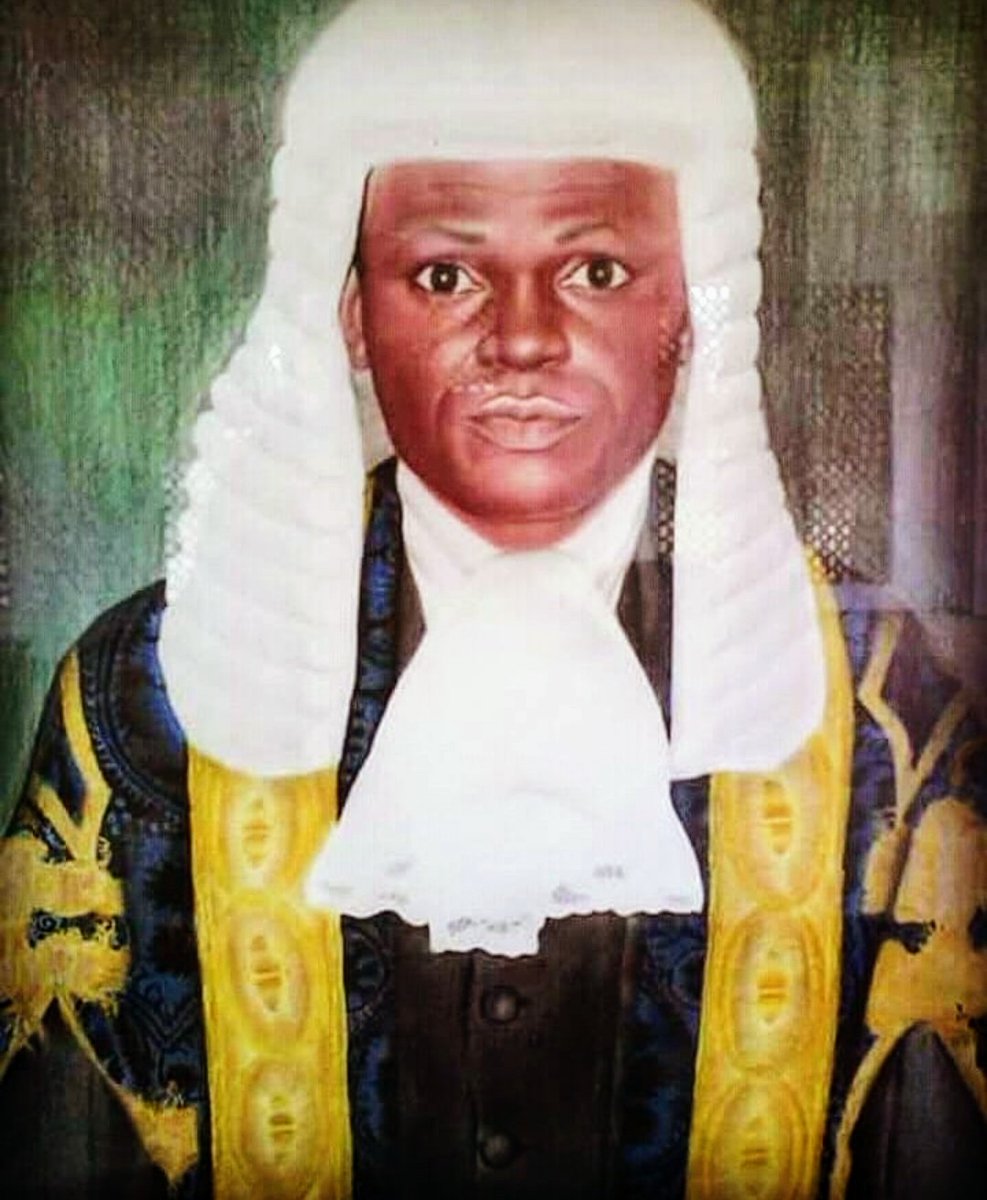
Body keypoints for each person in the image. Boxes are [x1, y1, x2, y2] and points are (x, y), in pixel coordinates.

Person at [1, 1, 984, 1197]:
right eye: (447, 274)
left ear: (687, 311)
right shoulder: (144, 697)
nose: (523, 340)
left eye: (596, 271)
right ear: (353, 315)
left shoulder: (875, 704)